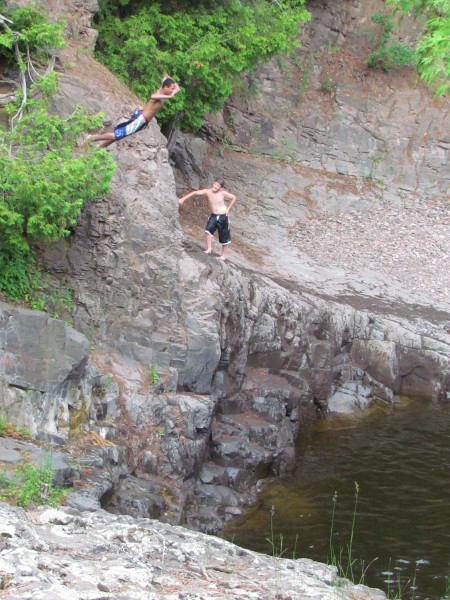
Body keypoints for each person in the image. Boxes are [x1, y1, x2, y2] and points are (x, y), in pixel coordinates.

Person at [85, 74, 180, 148]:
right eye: (171, 89)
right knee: (117, 135)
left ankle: (100, 148)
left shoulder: (162, 89)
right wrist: (170, 95)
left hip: (141, 119)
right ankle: (92, 138)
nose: (173, 91)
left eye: (172, 90)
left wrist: (173, 88)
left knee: (119, 135)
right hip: (140, 120)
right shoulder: (159, 95)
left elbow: (167, 77)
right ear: (166, 87)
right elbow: (152, 96)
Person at [178, 181, 237, 261]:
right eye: (215, 184)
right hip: (213, 215)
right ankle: (209, 249)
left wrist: (229, 209)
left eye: (218, 185)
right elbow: (195, 193)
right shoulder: (208, 192)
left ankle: (223, 255)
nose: (215, 186)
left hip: (223, 216)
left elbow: (234, 198)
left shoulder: (223, 193)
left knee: (224, 237)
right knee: (208, 231)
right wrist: (183, 199)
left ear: (220, 187)